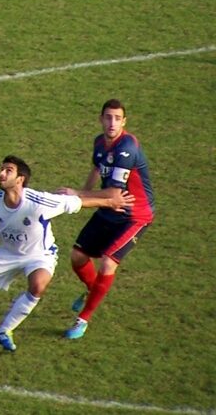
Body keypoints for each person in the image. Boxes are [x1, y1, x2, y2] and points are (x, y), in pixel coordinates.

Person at [0, 156, 132, 352]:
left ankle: (4, 331)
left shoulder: (39, 202)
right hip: (6, 254)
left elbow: (75, 203)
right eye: (2, 169)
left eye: (8, 170)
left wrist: (110, 202)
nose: (1, 174)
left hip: (39, 254)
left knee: (38, 285)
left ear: (20, 179)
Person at [58, 99, 155, 340]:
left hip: (134, 216)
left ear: (124, 121)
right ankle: (93, 290)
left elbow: (114, 195)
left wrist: (79, 195)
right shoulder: (99, 143)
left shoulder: (127, 149)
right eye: (108, 117)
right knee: (77, 257)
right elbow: (95, 168)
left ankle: (83, 319)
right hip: (108, 209)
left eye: (117, 118)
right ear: (101, 119)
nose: (112, 123)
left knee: (107, 263)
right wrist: (82, 192)